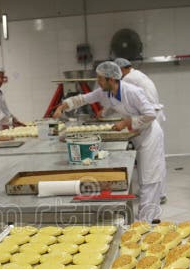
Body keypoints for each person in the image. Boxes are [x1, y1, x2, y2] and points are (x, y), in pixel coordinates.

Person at [53, 61, 166, 222]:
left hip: (149, 135)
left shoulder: (132, 91)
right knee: (144, 177)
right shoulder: (106, 92)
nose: (98, 82)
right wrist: (62, 106)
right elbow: (83, 99)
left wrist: (126, 122)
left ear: (111, 79)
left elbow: (150, 115)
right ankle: (147, 217)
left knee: (149, 178)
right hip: (137, 134)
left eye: (100, 79)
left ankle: (147, 220)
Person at [114, 57, 167, 204]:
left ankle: (157, 195)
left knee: (152, 163)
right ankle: (160, 193)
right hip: (153, 116)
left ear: (123, 69)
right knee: (157, 160)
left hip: (150, 119)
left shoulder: (129, 79)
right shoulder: (136, 74)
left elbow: (117, 97)